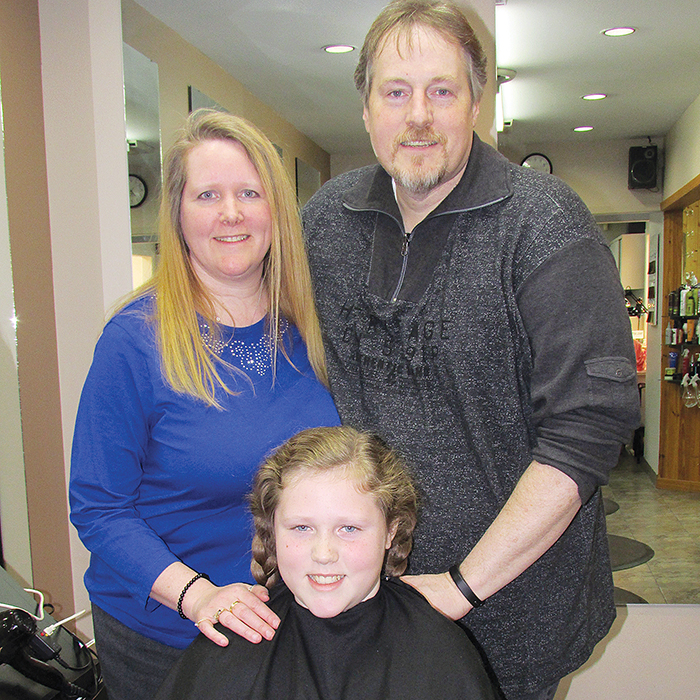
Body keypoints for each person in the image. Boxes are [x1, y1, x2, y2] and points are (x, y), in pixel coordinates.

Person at [301, 2, 641, 699]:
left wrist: (463, 585)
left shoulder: (544, 223)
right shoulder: (324, 223)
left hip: (512, 612)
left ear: (476, 104)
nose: (418, 115)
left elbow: (588, 427)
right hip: (365, 603)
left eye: (442, 90)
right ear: (366, 110)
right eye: (395, 92)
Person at [69, 109, 340, 700]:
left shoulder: (308, 327)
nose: (231, 213)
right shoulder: (134, 341)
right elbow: (98, 508)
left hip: (285, 626)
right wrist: (200, 596)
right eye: (207, 195)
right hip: (167, 637)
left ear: (276, 210)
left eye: (249, 192)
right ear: (178, 214)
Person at [154, 426, 497, 700]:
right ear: (272, 530)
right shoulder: (231, 648)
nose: (323, 553)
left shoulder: (439, 655)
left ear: (390, 532)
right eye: (302, 527)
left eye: (349, 528)